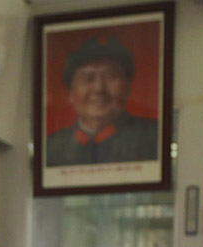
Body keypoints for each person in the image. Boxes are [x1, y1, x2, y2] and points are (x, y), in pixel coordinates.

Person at [45, 35, 159, 167]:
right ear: (71, 93)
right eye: (88, 78)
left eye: (110, 76)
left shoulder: (155, 138)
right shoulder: (50, 148)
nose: (99, 89)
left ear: (128, 87)